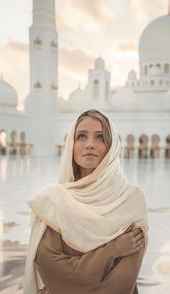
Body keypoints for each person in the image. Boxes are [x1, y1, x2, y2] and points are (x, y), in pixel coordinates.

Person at [24, 109, 148, 294]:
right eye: (81, 136)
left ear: (112, 146)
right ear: (71, 145)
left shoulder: (130, 202)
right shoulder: (53, 201)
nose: (90, 144)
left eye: (100, 137)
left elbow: (121, 284)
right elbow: (54, 272)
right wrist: (112, 250)